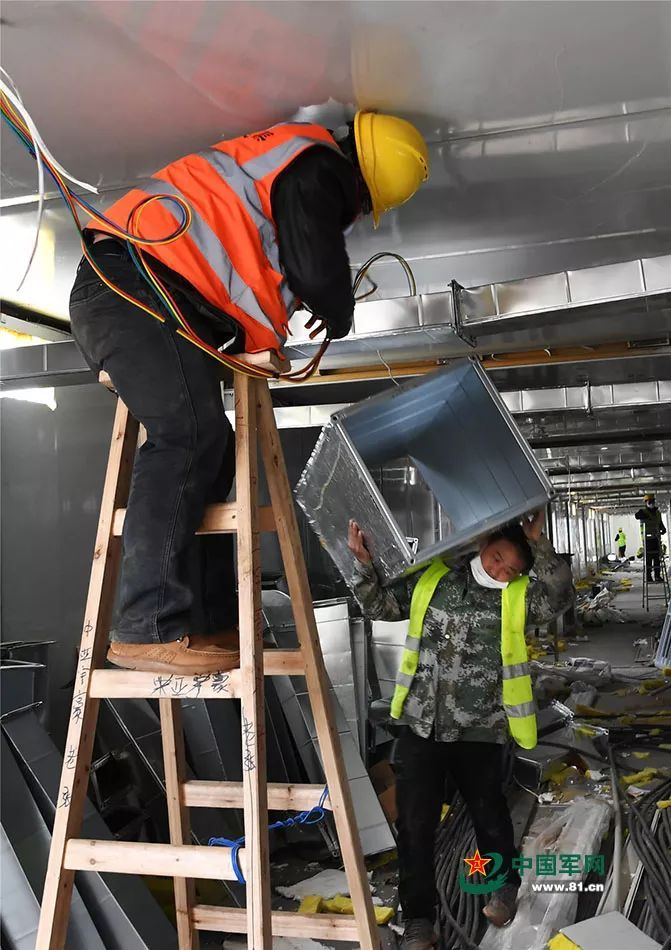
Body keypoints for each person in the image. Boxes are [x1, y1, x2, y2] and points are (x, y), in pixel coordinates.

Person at [69, 113, 429, 675]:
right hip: (133, 288)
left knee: (212, 450)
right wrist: (335, 311)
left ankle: (203, 623)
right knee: (186, 437)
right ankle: (147, 626)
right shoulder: (315, 168)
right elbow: (316, 267)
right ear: (361, 185)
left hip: (153, 296)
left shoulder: (281, 172)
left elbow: (253, 272)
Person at [347, 511, 573, 949]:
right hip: (420, 725)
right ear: (486, 542)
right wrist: (362, 562)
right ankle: (418, 920)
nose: (500, 570)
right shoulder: (433, 579)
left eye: (510, 569)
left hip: (481, 730)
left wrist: (538, 543)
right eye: (497, 558)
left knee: (489, 816)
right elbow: (378, 605)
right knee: (415, 827)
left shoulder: (518, 597)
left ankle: (502, 887)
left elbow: (560, 596)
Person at [635, 493, 667, 583]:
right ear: (646, 502)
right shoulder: (642, 512)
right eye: (649, 501)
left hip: (656, 539)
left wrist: (663, 529)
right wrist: (645, 516)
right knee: (649, 559)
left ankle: (657, 576)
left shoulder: (657, 513)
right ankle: (648, 577)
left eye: (652, 501)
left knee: (657, 559)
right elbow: (637, 516)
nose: (651, 503)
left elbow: (659, 523)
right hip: (647, 540)